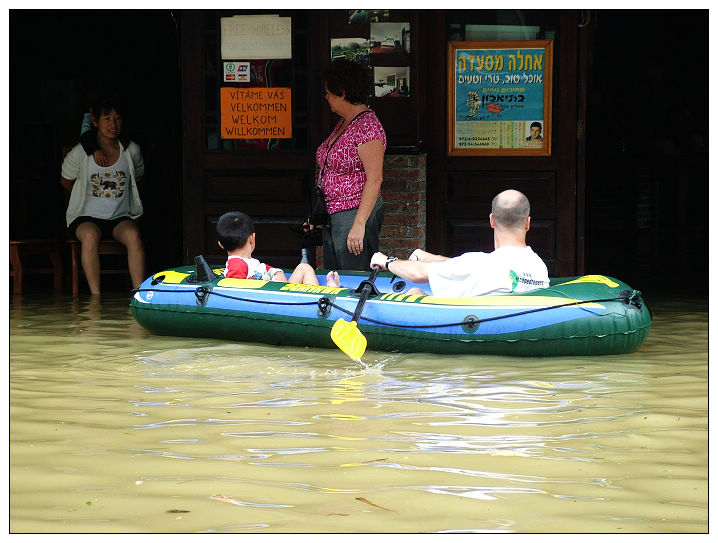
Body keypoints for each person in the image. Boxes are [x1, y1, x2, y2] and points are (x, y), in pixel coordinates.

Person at [370, 189, 550, 297]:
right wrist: (430, 258)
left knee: (415, 293)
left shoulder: (479, 264)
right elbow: (467, 267)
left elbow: (418, 274)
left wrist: (387, 261)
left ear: (492, 220)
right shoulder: (539, 267)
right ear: (528, 223)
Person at [60, 96, 145, 294]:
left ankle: (139, 293)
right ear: (95, 121)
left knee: (133, 235)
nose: (113, 124)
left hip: (120, 217)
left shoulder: (131, 150)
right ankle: (95, 296)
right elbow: (65, 181)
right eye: (107, 118)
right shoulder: (81, 152)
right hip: (86, 217)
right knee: (89, 235)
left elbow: (138, 178)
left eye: (117, 118)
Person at [312, 57, 387, 271]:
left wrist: (359, 224)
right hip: (335, 214)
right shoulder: (345, 123)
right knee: (336, 277)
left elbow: (375, 179)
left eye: (328, 92)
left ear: (342, 92)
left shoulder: (367, 127)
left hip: (353, 212)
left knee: (353, 275)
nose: (325, 97)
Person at [217, 211, 341, 287]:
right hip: (271, 301)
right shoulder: (237, 265)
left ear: (220, 244)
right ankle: (322, 298)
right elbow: (240, 294)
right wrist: (272, 287)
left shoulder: (248, 261)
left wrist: (277, 272)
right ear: (252, 238)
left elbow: (265, 268)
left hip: (277, 290)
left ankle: (321, 295)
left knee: (304, 267)